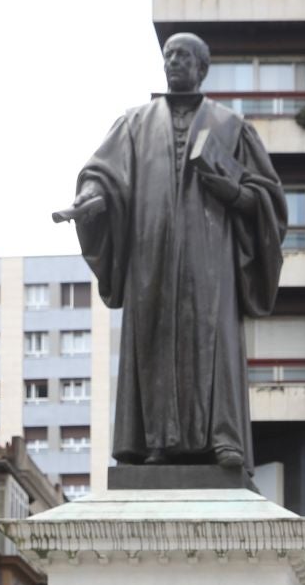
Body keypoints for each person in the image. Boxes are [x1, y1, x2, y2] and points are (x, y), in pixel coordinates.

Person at [64, 31, 287, 472]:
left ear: (202, 67)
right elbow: (102, 173)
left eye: (184, 56)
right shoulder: (135, 123)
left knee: (214, 340)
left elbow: (269, 201)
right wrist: (91, 197)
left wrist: (234, 194)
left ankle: (223, 440)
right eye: (169, 55)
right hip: (152, 255)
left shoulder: (231, 126)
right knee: (153, 337)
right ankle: (156, 442)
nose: (174, 62)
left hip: (212, 261)